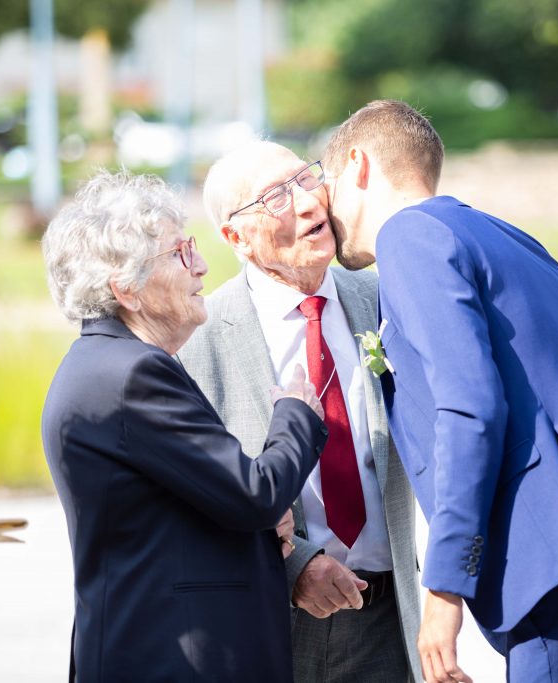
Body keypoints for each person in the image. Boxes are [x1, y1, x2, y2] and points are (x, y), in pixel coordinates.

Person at [322, 100, 558, 683]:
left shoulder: (407, 237)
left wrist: (444, 584)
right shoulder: (512, 239)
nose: (324, 211)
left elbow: (470, 408)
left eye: (327, 184)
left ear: (358, 166)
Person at [40, 170, 327, 682]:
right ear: (125, 288)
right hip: (177, 659)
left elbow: (184, 506)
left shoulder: (106, 364)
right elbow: (253, 494)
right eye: (179, 253)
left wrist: (265, 526)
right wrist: (297, 413)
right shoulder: (132, 373)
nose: (201, 265)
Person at [178, 140, 422, 682]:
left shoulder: (384, 299)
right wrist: (294, 566)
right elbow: (193, 493)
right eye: (275, 198)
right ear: (235, 237)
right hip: (272, 618)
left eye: (306, 180)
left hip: (388, 611)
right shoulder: (201, 337)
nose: (310, 205)